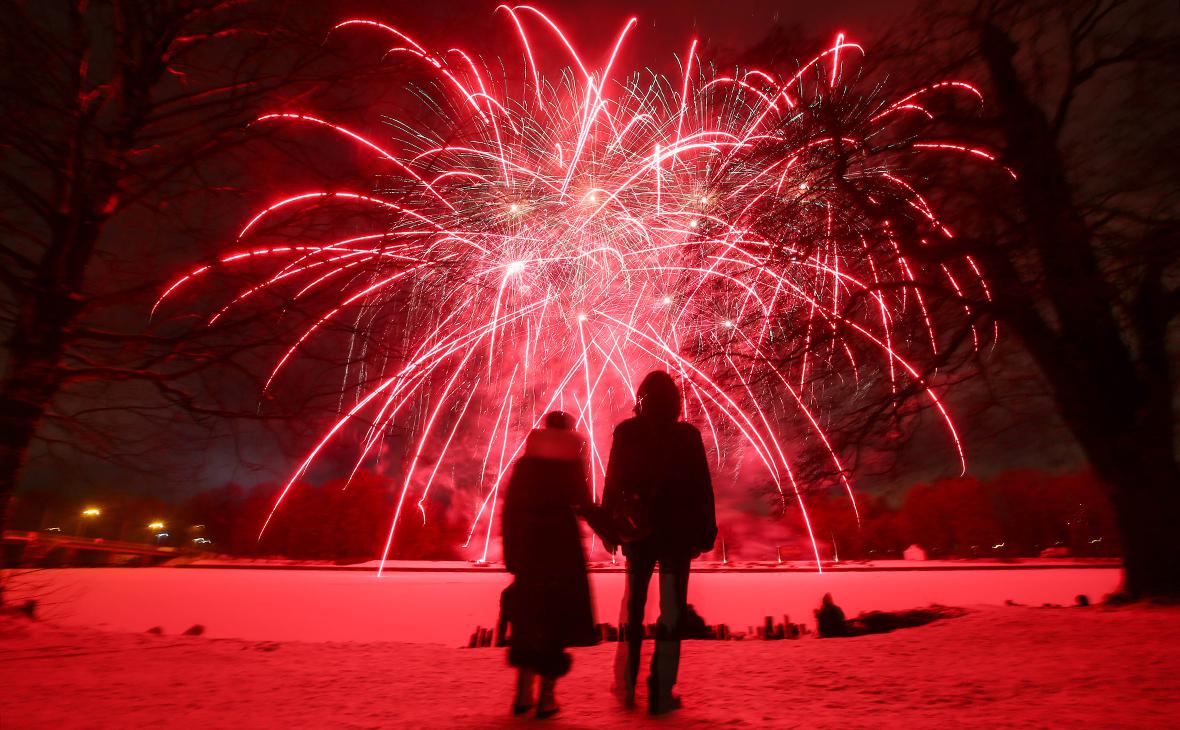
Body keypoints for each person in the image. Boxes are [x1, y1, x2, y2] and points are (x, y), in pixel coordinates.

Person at [601, 371, 717, 715]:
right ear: (676, 402)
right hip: (677, 540)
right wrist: (704, 534)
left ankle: (628, 682)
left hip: (639, 535)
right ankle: (661, 689)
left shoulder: (626, 432)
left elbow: (613, 482)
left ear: (641, 399)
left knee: (634, 610)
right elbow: (702, 489)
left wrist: (610, 531)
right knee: (671, 613)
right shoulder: (687, 436)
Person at [501, 411, 597, 719]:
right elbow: (584, 503)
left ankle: (522, 692)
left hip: (530, 548)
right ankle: (546, 697)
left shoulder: (526, 464)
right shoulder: (570, 463)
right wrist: (615, 529)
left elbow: (510, 509)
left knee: (529, 618)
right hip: (562, 549)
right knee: (556, 620)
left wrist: (512, 554)